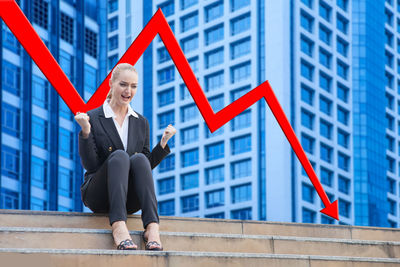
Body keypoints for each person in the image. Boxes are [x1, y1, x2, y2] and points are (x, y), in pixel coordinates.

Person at [74, 63, 176, 250]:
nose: (128, 91)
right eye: (123, 84)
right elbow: (91, 165)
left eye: (133, 86)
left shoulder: (141, 122)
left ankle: (152, 227)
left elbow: (144, 167)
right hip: (99, 194)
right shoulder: (93, 117)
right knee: (120, 156)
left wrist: (162, 144)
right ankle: (119, 226)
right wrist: (86, 132)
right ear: (111, 84)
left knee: (138, 159)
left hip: (129, 197)